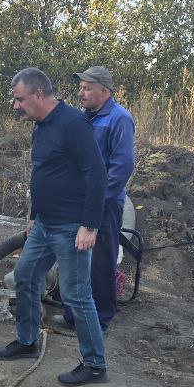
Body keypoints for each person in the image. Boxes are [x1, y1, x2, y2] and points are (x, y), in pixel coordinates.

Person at [0, 68, 108, 387]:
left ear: (38, 95)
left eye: (19, 99)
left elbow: (97, 175)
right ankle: (27, 341)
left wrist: (89, 225)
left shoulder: (74, 124)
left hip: (72, 227)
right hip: (44, 224)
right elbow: (42, 173)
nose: (16, 106)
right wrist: (35, 214)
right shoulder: (40, 126)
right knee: (25, 275)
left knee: (76, 295)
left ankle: (95, 364)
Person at [51, 65, 134, 333]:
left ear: (104, 91)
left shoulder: (118, 118)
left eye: (87, 88)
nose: (81, 92)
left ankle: (100, 319)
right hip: (77, 203)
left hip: (104, 205)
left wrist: (96, 201)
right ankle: (72, 315)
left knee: (100, 261)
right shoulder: (84, 118)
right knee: (74, 258)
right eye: (80, 87)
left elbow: (121, 167)